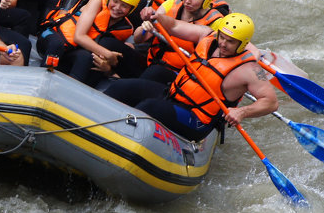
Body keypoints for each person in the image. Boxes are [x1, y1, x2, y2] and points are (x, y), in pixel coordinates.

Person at [103, 13, 277, 141]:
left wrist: (242, 111)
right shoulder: (206, 36)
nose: (223, 43)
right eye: (222, 37)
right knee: (121, 87)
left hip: (196, 119)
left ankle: (115, 139)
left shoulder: (250, 70)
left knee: (148, 108)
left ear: (243, 44)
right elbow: (174, 26)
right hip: (171, 94)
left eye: (230, 41)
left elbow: (270, 101)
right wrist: (157, 17)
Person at [42, 0, 145, 87]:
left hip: (73, 52)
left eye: (124, 5)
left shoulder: (126, 28)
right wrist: (108, 54)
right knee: (57, 45)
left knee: (87, 58)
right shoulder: (96, 2)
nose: (117, 8)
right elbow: (79, 37)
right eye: (115, 1)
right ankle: (42, 82)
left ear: (131, 9)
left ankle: (71, 92)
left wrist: (108, 69)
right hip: (52, 37)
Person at [134, 0, 223, 84]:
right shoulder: (171, 4)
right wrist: (144, 27)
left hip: (180, 75)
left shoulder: (216, 23)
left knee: (155, 72)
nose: (187, 0)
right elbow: (138, 39)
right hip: (153, 62)